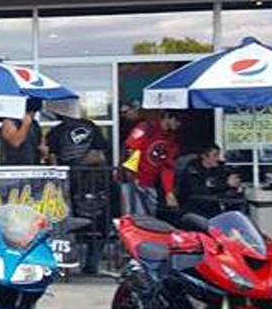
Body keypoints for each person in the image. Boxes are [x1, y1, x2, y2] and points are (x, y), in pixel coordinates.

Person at [46, 100, 109, 274]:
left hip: (95, 184)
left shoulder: (90, 127)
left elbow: (99, 156)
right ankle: (71, 263)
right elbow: (53, 161)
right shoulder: (56, 132)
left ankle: (91, 264)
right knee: (72, 223)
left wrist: (72, 168)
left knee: (99, 225)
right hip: (71, 186)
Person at [123, 110, 181, 217]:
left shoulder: (170, 139)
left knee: (150, 219)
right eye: (176, 120)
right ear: (167, 117)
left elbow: (167, 167)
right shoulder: (146, 127)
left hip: (149, 183)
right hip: (132, 181)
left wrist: (169, 192)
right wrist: (132, 176)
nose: (178, 124)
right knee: (134, 218)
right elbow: (130, 149)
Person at [179, 144, 245, 218]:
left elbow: (229, 186)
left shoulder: (220, 168)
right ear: (204, 156)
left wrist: (234, 185)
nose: (218, 158)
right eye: (215, 155)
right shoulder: (192, 169)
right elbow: (197, 189)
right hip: (195, 211)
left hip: (215, 208)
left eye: (219, 155)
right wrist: (225, 183)